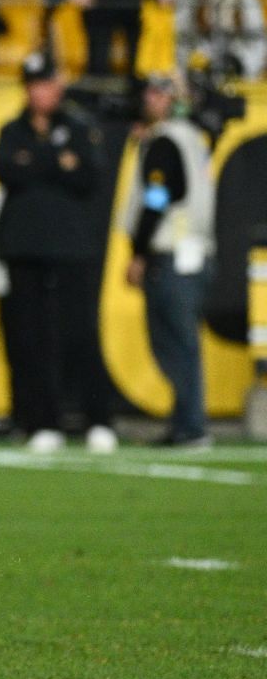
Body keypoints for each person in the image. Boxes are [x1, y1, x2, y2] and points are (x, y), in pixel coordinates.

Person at [0, 53, 118, 454]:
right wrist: (57, 163)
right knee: (31, 339)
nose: (38, 92)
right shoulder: (11, 129)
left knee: (79, 334)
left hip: (70, 248)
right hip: (24, 247)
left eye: (44, 83)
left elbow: (87, 177)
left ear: (58, 86)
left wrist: (36, 162)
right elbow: (7, 171)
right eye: (32, 84)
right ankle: (42, 422)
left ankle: (98, 420)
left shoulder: (79, 127)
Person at [120, 74, 214, 449]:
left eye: (159, 93)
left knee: (176, 343)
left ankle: (191, 425)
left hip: (173, 253)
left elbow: (158, 197)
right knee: (180, 343)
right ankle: (186, 421)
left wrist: (139, 251)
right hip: (195, 252)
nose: (151, 99)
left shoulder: (165, 140)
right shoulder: (191, 136)